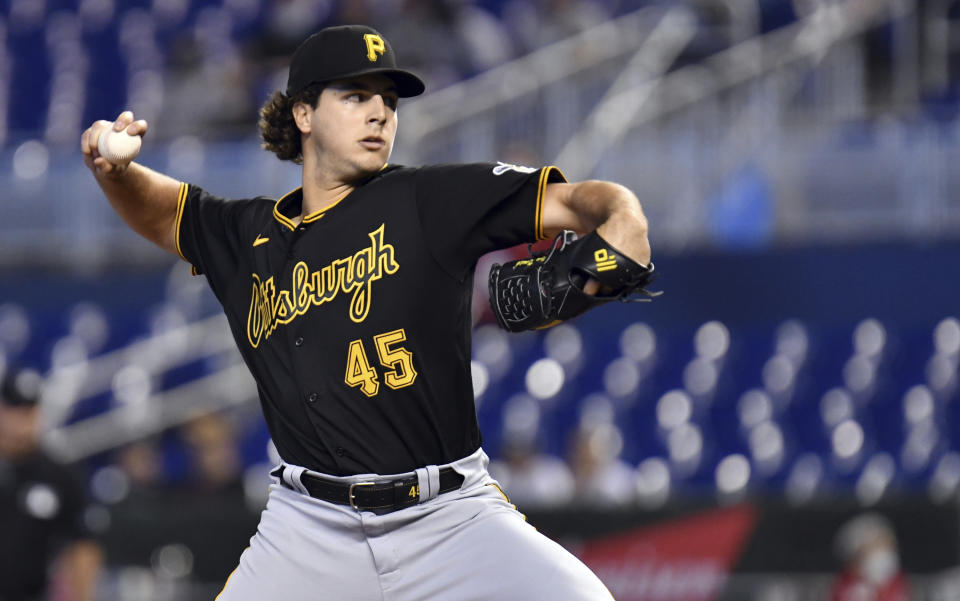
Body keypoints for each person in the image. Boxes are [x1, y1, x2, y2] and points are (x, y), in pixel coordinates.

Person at [81, 24, 651, 600]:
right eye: (356, 96)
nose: (379, 113)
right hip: (307, 529)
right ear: (303, 114)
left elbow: (583, 200)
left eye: (389, 101)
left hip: (449, 516)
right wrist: (117, 172)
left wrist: (626, 222)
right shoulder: (245, 235)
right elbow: (164, 213)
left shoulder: (432, 200)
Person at [0, 366, 103, 601]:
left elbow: (82, 544)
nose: (22, 419)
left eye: (29, 410)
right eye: (15, 408)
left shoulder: (59, 474)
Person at [829, 513, 912, 601]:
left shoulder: (897, 581)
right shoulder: (849, 589)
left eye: (888, 545)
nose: (884, 553)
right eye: (876, 546)